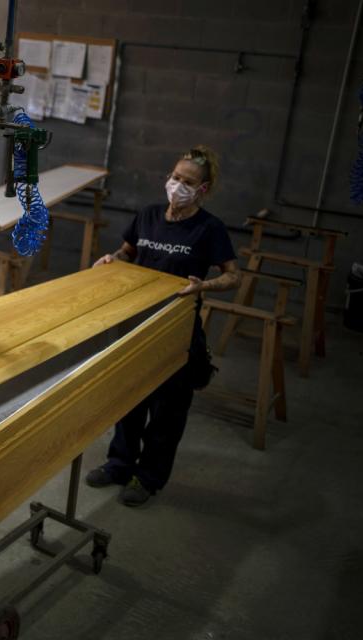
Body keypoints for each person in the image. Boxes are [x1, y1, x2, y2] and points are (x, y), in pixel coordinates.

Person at [87, 145, 242, 507]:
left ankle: (148, 477)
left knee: (167, 410)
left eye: (188, 182)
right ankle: (119, 464)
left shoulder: (209, 229)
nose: (178, 185)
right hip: (136, 323)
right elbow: (128, 252)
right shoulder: (149, 215)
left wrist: (204, 285)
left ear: (202, 190)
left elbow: (234, 276)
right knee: (128, 399)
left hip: (177, 329)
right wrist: (113, 258)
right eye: (175, 177)